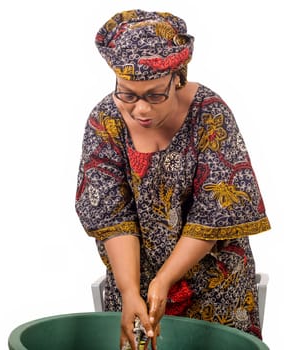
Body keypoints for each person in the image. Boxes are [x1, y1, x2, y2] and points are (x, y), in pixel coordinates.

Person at [75, 9, 271, 350]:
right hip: (135, 278)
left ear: (177, 78)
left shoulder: (209, 114)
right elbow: (112, 215)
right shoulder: (105, 120)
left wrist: (164, 280)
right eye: (128, 94)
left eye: (154, 95)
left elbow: (214, 212)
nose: (141, 110)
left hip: (215, 285)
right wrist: (129, 291)